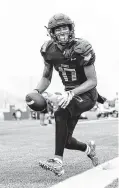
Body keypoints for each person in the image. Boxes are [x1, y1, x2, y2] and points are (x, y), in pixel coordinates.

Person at [33, 13, 101, 176]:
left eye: (65, 27)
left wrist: (71, 93)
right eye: (58, 29)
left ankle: (57, 162)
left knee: (61, 111)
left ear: (71, 29)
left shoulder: (82, 48)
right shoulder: (48, 50)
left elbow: (92, 81)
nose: (62, 32)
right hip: (69, 95)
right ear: (52, 33)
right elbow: (46, 77)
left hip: (87, 94)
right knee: (66, 141)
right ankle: (88, 148)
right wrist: (36, 92)